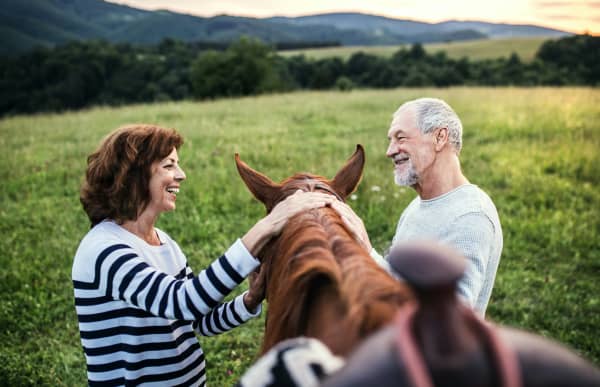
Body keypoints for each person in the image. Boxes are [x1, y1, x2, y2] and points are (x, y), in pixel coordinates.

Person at [72, 124, 333, 386]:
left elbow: (198, 320)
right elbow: (182, 302)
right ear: (135, 173)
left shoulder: (165, 244)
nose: (181, 175)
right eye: (169, 165)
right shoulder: (103, 249)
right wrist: (267, 226)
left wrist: (250, 301)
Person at [333, 97, 503, 316]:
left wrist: (367, 252)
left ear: (440, 138)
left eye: (400, 138)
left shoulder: (471, 217)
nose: (390, 151)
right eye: (390, 140)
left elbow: (449, 319)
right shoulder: (417, 207)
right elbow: (399, 279)